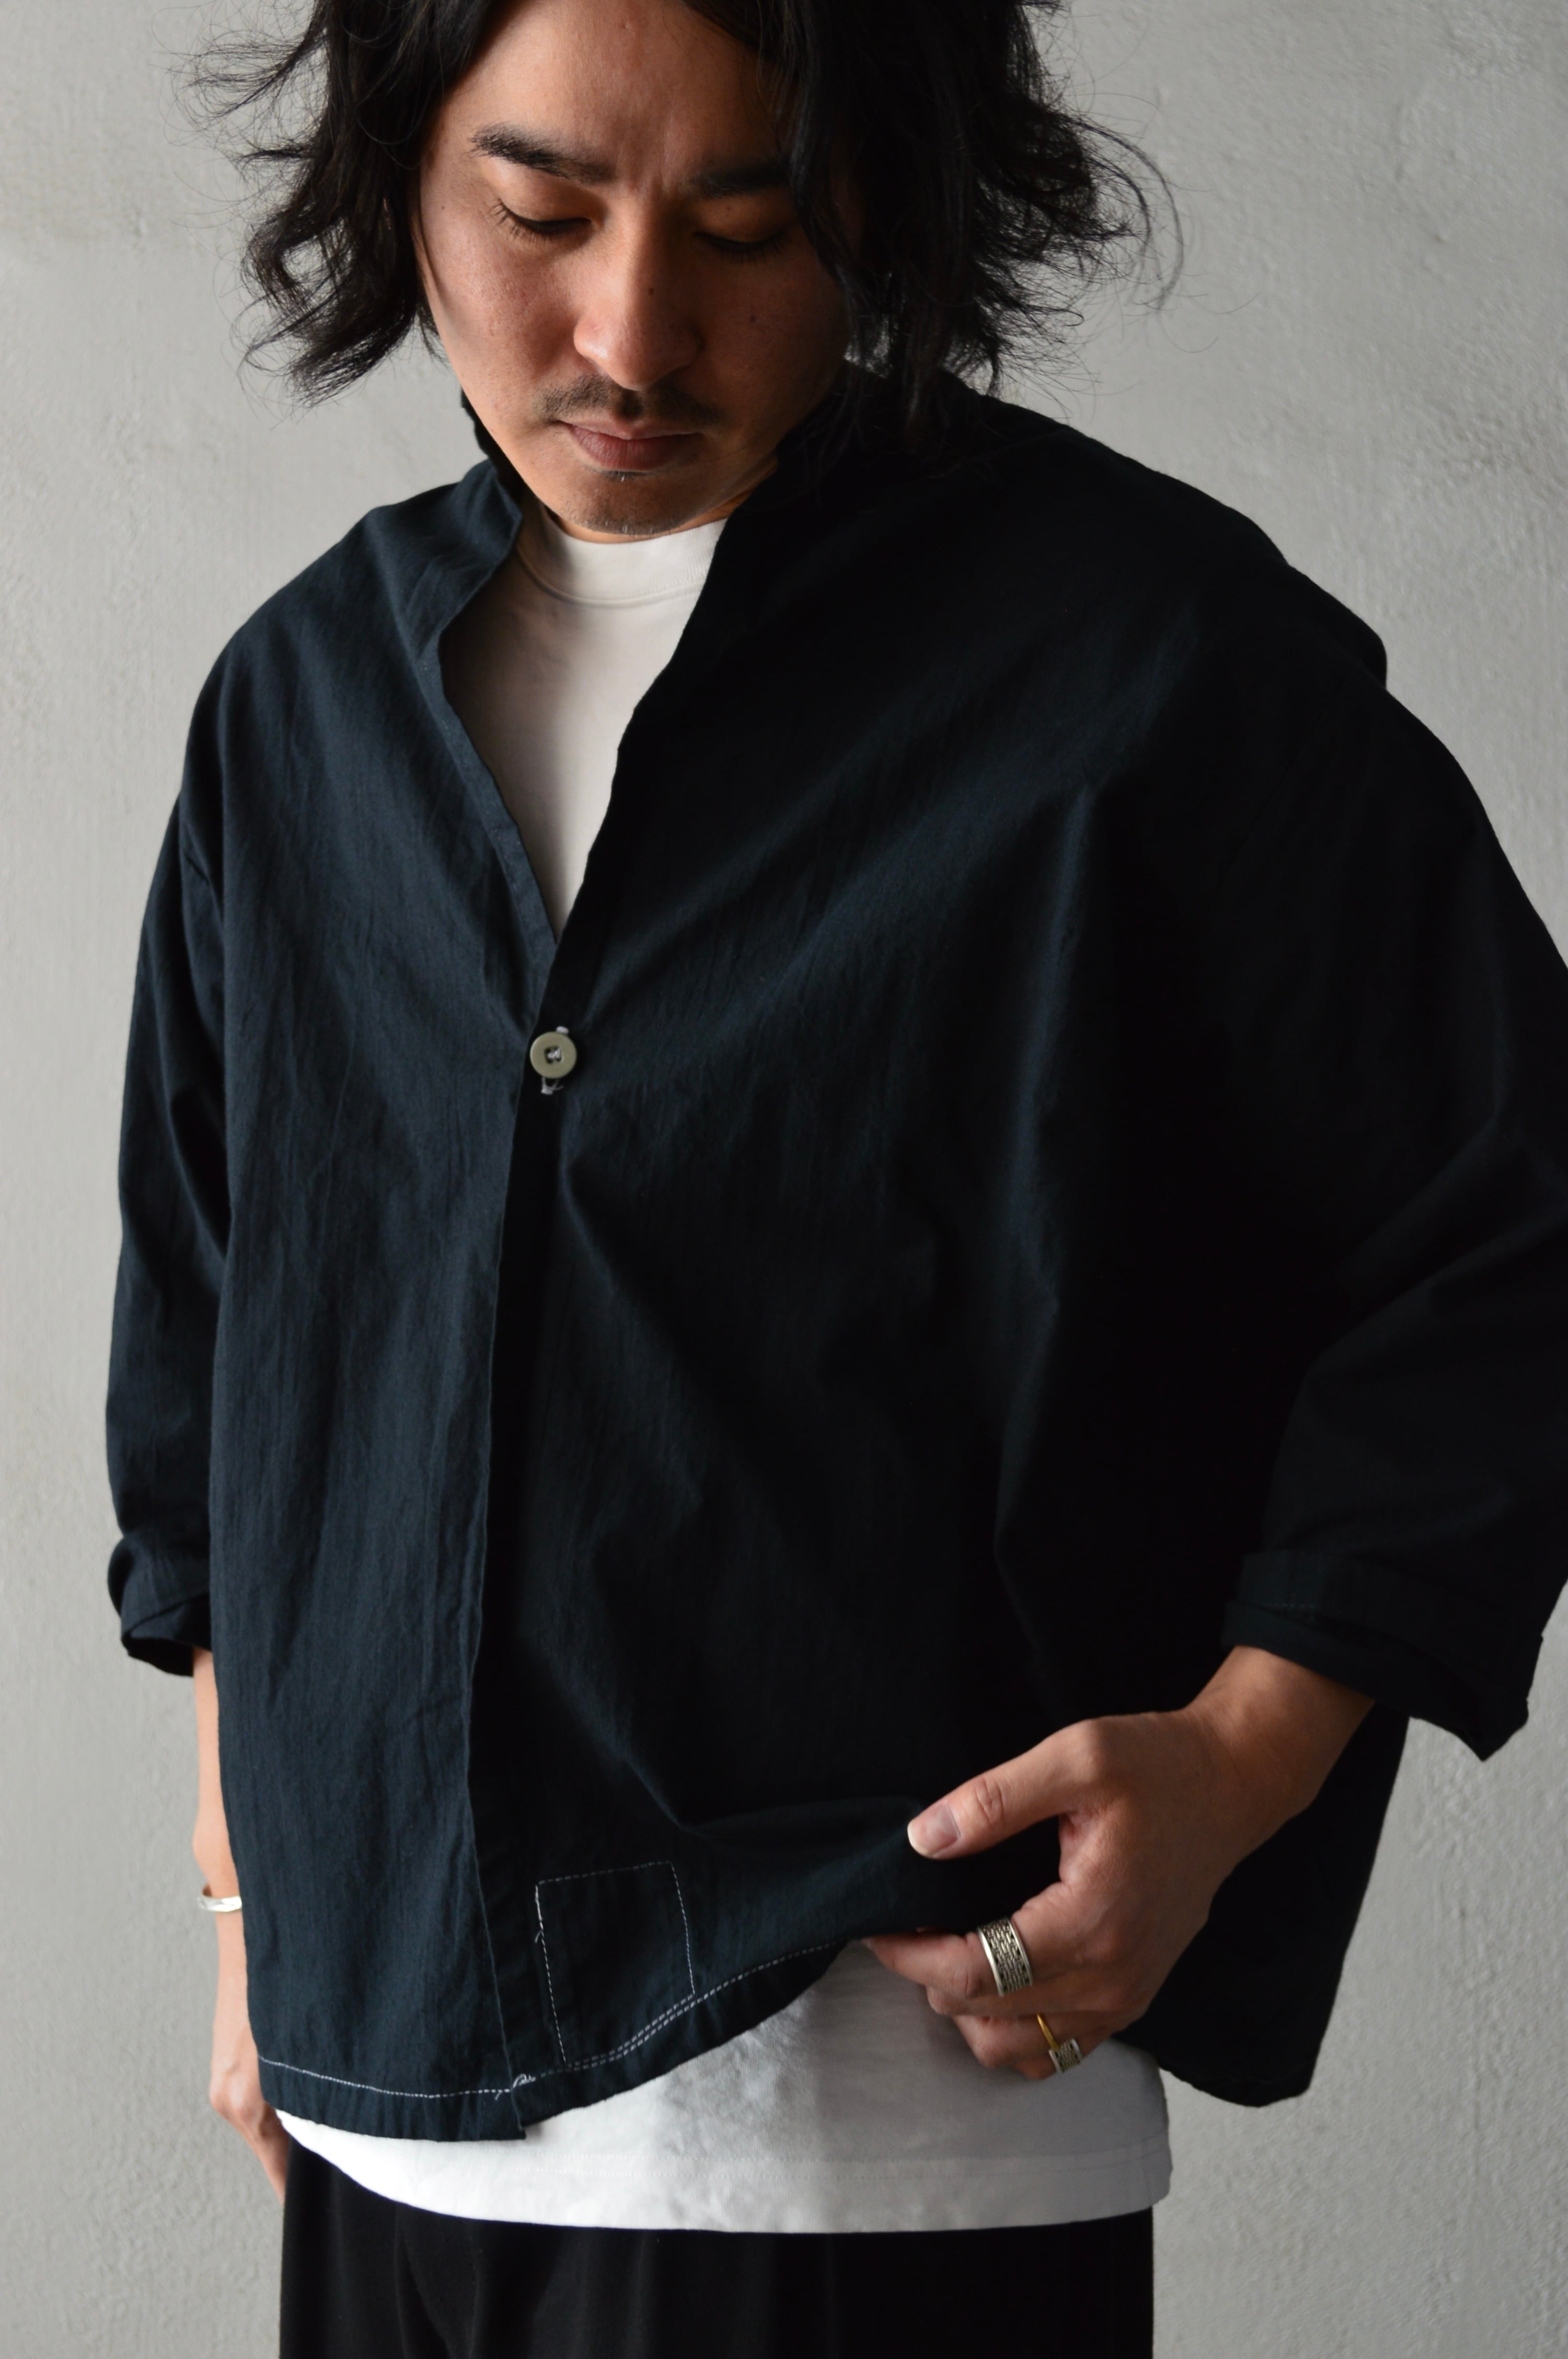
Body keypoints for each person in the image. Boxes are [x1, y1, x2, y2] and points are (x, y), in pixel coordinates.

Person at [106, 0, 1568, 2352]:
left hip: (884, 2151)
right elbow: (217, 1378)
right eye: (539, 209)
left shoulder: (1146, 662)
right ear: (401, 175)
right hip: (379, 2130)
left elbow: (1510, 1216)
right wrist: (244, 1910)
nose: (629, 334)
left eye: (751, 226)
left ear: (891, 203)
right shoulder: (296, 712)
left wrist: (1241, 1764)